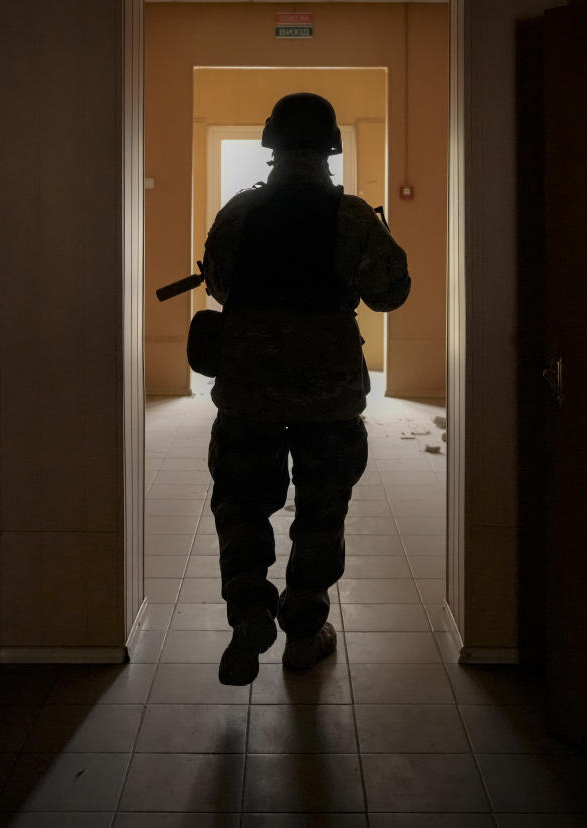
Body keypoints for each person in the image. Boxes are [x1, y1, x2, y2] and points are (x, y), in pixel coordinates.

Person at [200, 92, 411, 685]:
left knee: (241, 503)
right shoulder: (354, 217)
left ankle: (248, 611)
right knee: (321, 513)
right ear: (331, 147)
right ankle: (302, 634)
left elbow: (217, 285)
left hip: (248, 392)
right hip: (330, 398)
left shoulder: (238, 213)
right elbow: (389, 295)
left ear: (271, 143)